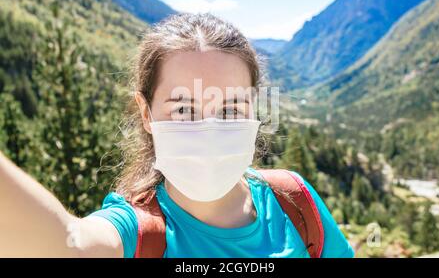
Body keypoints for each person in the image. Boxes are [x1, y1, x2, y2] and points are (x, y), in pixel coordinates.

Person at [0, 13, 354, 258]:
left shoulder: (295, 202)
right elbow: (69, 245)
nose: (210, 130)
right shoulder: (135, 234)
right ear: (146, 113)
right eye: (184, 109)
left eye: (231, 109)